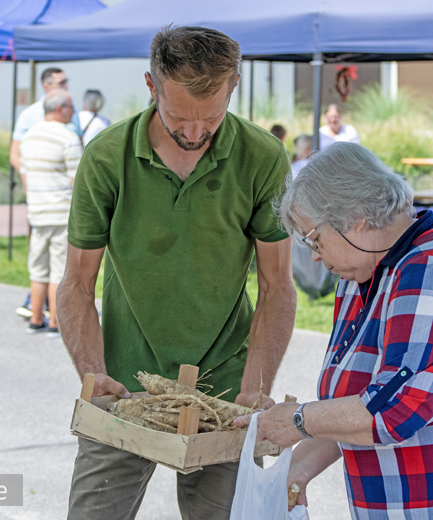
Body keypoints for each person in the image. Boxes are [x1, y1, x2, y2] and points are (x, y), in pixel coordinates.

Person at [235, 142, 433, 520]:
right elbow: (358, 401)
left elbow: (392, 410)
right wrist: (299, 468)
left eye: (315, 239)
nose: (316, 257)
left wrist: (298, 420)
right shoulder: (365, 273)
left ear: (355, 218)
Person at [57, 26, 297, 519]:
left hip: (226, 389)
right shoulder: (106, 156)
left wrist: (254, 387)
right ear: (151, 86)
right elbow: (76, 284)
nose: (193, 134)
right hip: (123, 386)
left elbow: (277, 286)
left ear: (233, 87)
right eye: (178, 117)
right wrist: (93, 373)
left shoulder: (263, 157)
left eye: (210, 119)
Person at [11, 67, 80, 320]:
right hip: (61, 213)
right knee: (57, 271)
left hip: (37, 212)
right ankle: (55, 322)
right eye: (71, 107)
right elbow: (78, 180)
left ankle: (35, 317)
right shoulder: (68, 137)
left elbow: (24, 170)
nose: (74, 112)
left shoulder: (29, 137)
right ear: (60, 108)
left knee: (37, 269)